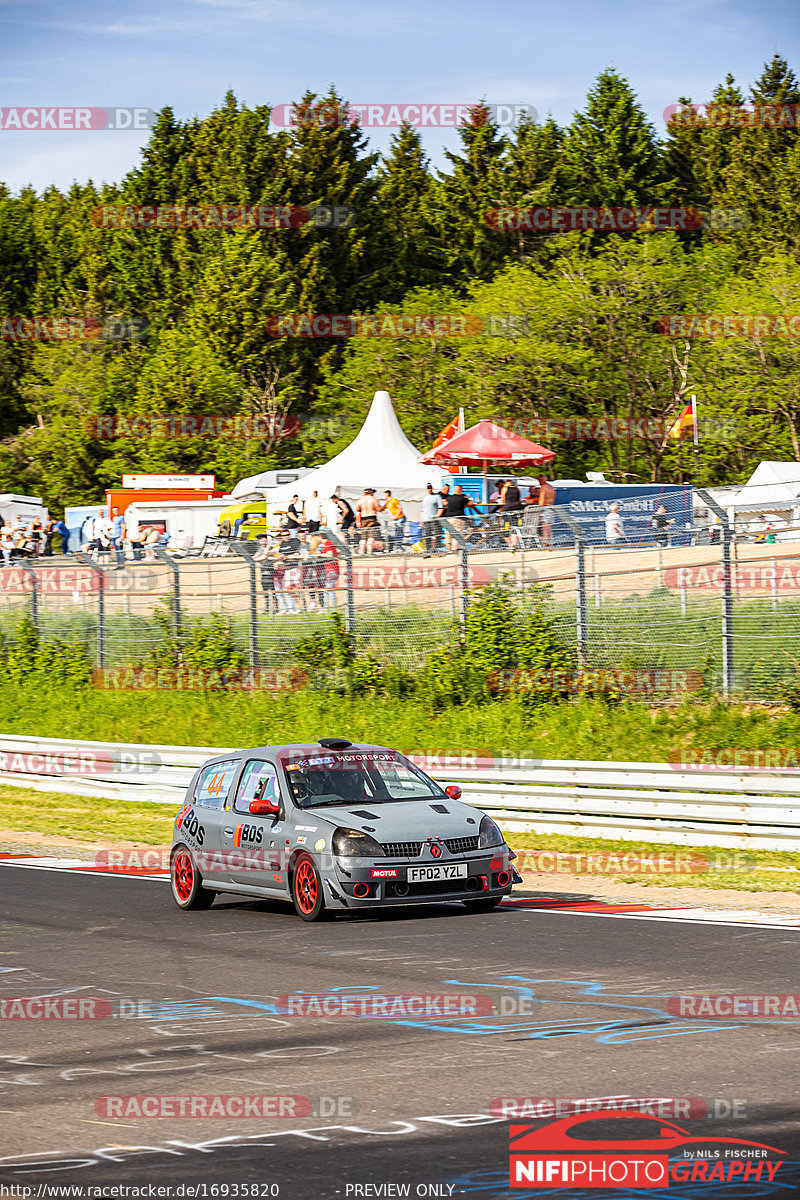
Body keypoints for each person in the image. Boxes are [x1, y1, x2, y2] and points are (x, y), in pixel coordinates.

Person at [437, 484, 479, 550]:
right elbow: (471, 503)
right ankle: (454, 551)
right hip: (458, 519)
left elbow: (444, 504)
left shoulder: (449, 498)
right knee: (456, 537)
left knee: (448, 536)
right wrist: (468, 499)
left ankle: (449, 551)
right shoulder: (462, 499)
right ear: (461, 490)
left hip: (448, 519)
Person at [355, 487, 381, 555]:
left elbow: (357, 509)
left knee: (363, 537)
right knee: (371, 537)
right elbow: (378, 508)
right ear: (371, 492)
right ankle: (369, 553)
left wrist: (358, 522)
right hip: (372, 518)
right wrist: (383, 507)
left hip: (363, 518)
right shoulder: (373, 499)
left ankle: (361, 553)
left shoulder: (360, 500)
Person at [253, 534, 276, 614]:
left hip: (270, 572)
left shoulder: (270, 548)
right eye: (260, 540)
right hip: (263, 572)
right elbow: (254, 557)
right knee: (265, 590)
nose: (262, 542)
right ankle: (267, 607)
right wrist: (258, 558)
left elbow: (263, 557)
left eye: (263, 540)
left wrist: (258, 559)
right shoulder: (260, 548)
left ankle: (275, 608)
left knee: (272, 590)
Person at [421, 482, 440, 555]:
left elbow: (440, 507)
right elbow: (422, 510)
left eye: (430, 487)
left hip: (433, 520)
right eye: (428, 488)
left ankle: (436, 549)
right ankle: (428, 551)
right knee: (427, 536)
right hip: (426, 520)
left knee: (436, 535)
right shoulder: (425, 498)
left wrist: (437, 517)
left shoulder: (437, 496)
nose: (429, 489)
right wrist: (421, 520)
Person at [537, 475, 556, 550]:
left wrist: (538, 507)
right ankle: (551, 544)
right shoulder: (551, 487)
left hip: (546, 508)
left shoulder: (543, 487)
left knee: (544, 527)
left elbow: (541, 501)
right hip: (551, 507)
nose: (539, 482)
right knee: (549, 527)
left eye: (540, 480)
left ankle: (545, 545)